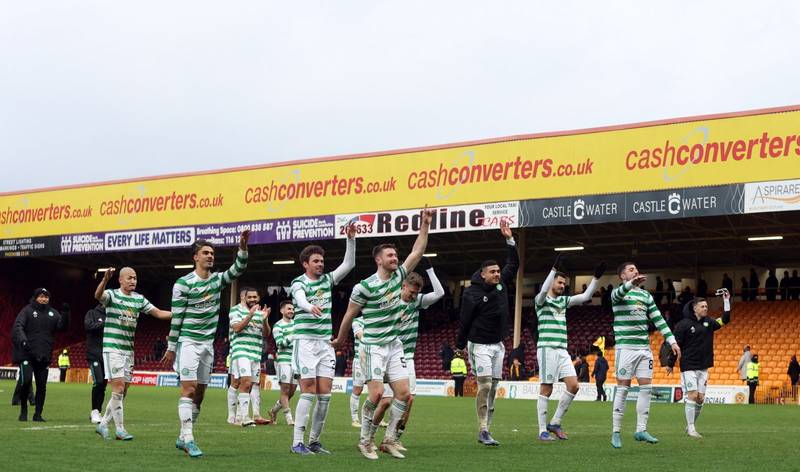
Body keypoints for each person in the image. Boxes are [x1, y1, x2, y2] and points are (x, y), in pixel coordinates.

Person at [332, 209, 432, 460]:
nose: (395, 258)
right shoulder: (364, 286)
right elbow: (349, 315)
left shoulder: (400, 276)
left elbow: (417, 252)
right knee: (376, 395)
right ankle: (365, 441)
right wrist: (341, 339)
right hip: (372, 346)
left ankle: (388, 440)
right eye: (390, 255)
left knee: (404, 394)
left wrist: (425, 225)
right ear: (378, 259)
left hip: (394, 345)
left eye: (396, 254)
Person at [161, 230, 249, 458]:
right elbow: (177, 317)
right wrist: (171, 347)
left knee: (199, 394)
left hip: (207, 345)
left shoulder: (217, 280)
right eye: (205, 253)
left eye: (212, 253)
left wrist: (242, 247)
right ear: (195, 257)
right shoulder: (182, 284)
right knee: (188, 389)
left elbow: (237, 269)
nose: (210, 256)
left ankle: (182, 436)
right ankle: (189, 439)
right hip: (188, 343)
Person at [290, 223, 357, 455]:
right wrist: (310, 307)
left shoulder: (328, 280)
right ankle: (297, 442)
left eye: (321, 261)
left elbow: (349, 264)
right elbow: (298, 298)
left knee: (325, 395)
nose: (320, 264)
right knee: (307, 390)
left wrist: (350, 239)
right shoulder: (299, 282)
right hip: (305, 342)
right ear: (305, 264)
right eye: (315, 261)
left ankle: (315, 441)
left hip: (325, 343)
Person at [456, 221, 519, 447]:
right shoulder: (472, 293)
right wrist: (459, 345)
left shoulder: (502, 284)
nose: (497, 274)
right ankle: (482, 429)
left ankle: (487, 429)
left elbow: (514, 263)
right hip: (479, 345)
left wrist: (509, 240)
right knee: (483, 385)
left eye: (498, 271)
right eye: (492, 272)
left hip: (498, 345)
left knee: (493, 389)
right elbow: (464, 321)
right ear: (482, 274)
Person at [94, 267, 172, 441]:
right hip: (112, 348)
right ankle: (120, 430)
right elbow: (98, 296)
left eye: (135, 278)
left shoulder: (139, 299)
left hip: (128, 350)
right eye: (129, 278)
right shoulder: (112, 295)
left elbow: (158, 313)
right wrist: (105, 280)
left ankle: (103, 424)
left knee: (123, 391)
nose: (133, 281)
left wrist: (179, 315)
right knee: (118, 388)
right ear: (120, 280)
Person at [533, 256, 604, 441]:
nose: (563, 285)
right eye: (560, 282)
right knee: (546, 388)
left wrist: (596, 278)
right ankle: (542, 430)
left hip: (562, 350)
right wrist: (553, 269)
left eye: (564, 283)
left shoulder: (563, 301)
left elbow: (586, 297)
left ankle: (555, 422)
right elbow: (542, 291)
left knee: (574, 386)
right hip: (547, 348)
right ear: (551, 283)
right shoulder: (541, 300)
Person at [610, 262, 680, 449]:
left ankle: (641, 430)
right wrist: (631, 284)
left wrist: (672, 340)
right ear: (622, 276)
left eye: (636, 269)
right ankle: (616, 431)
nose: (636, 271)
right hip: (625, 348)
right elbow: (619, 294)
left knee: (646, 389)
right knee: (623, 389)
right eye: (631, 270)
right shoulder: (617, 294)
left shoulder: (645, 295)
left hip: (643, 349)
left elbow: (658, 319)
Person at [386, 265, 445, 449]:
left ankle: (394, 437)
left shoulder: (417, 302)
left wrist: (430, 270)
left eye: (416, 293)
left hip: (406, 358)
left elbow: (439, 292)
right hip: (386, 355)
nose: (413, 296)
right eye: (411, 292)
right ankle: (368, 436)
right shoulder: (390, 300)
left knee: (408, 399)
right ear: (403, 285)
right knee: (382, 400)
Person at [667, 289, 731, 438]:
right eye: (702, 306)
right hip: (688, 365)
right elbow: (676, 345)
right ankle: (691, 428)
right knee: (693, 395)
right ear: (694, 308)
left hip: (704, 365)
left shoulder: (709, 322)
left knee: (700, 399)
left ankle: (691, 426)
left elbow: (725, 319)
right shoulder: (683, 325)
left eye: (706, 306)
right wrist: (671, 363)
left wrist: (726, 301)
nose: (705, 308)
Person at [12, 288, 71, 422]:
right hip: (26, 353)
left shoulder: (53, 313)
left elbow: (63, 328)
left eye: (46, 297)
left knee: (42, 386)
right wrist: (23, 340)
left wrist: (66, 313)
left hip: (44, 354)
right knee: (26, 381)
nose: (44, 299)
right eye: (41, 297)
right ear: (35, 297)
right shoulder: (27, 310)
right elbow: (18, 326)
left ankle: (37, 414)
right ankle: (23, 410)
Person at [228, 287, 271, 426]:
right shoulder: (236, 310)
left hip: (255, 353)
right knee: (243, 381)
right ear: (244, 298)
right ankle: (242, 417)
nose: (253, 299)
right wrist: (250, 315)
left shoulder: (259, 313)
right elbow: (236, 328)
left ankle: (239, 417)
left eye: (255, 297)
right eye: (250, 297)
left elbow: (266, 334)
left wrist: (264, 320)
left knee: (250, 384)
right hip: (241, 351)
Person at [268, 300, 297, 426]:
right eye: (289, 309)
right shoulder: (278, 326)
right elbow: (280, 343)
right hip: (284, 360)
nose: (291, 311)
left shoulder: (297, 324)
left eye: (292, 309)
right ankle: (289, 418)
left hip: (296, 361)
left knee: (292, 391)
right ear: (282, 311)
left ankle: (273, 411)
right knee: (285, 390)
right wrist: (293, 336)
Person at [84, 302, 107, 424]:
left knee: (103, 385)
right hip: (94, 354)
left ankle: (98, 411)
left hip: (108, 355)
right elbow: (88, 326)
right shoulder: (91, 313)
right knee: (98, 381)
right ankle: (94, 411)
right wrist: (104, 324)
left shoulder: (113, 314)